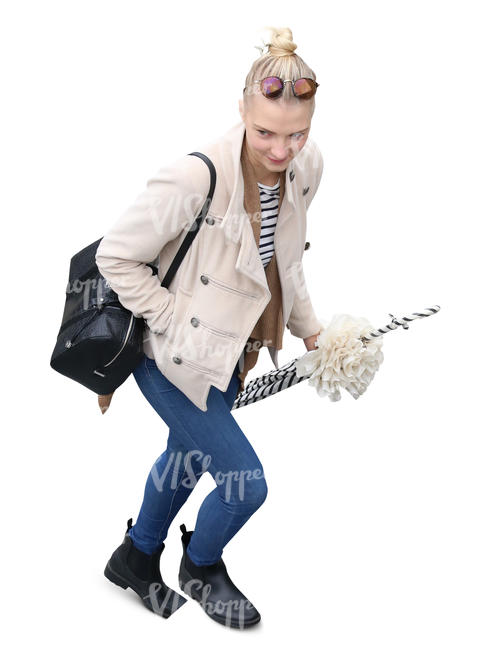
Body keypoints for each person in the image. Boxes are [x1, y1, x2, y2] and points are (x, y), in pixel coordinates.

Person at [97, 26, 324, 629]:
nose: (281, 150)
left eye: (297, 133)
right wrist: (174, 325)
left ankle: (137, 557)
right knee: (245, 483)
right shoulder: (194, 177)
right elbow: (115, 255)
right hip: (168, 356)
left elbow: (287, 261)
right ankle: (201, 566)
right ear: (242, 112)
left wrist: (312, 333)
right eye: (267, 133)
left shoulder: (305, 170)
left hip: (231, 354)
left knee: (188, 455)